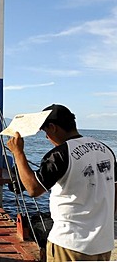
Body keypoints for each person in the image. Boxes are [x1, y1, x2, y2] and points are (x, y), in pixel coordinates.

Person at [7, 104, 116, 262]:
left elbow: (33, 189)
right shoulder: (106, 149)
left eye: (45, 132)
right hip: (103, 244)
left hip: (70, 244)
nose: (46, 138)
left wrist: (18, 153)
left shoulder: (60, 155)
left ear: (52, 127)